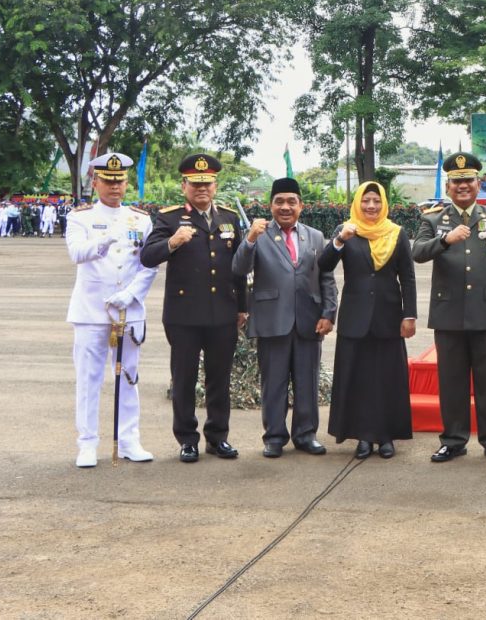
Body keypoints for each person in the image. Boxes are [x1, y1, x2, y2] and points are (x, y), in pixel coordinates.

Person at [412, 153, 486, 465]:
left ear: (478, 183)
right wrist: (445, 240)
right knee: (451, 382)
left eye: (468, 180)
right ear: (448, 186)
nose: (463, 186)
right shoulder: (433, 219)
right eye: (456, 181)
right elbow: (417, 253)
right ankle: (453, 440)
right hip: (448, 315)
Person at [140, 153, 247, 464]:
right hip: (184, 316)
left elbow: (238, 268)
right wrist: (172, 242)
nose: (202, 188)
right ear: (184, 185)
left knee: (219, 379)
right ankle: (187, 440)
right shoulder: (170, 218)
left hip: (223, 314)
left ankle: (218, 438)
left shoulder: (228, 218)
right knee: (184, 380)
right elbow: (148, 257)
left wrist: (243, 306)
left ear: (215, 185)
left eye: (207, 183)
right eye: (195, 183)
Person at [232, 177, 337, 458]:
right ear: (271, 206)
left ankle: (306, 435)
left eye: (292, 201)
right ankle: (274, 437)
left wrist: (329, 313)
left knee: (307, 381)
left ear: (301, 206)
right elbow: (239, 269)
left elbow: (326, 276)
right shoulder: (259, 234)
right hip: (271, 319)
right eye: (279, 202)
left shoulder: (314, 236)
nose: (286, 207)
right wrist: (251, 238)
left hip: (308, 320)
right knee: (274, 383)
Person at [65, 153, 158, 467]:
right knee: (89, 379)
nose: (115, 186)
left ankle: (129, 439)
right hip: (91, 310)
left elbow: (149, 265)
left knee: (129, 377)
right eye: (108, 180)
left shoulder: (141, 219)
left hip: (127, 310)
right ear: (96, 181)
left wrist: (131, 294)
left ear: (126, 182)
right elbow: (76, 253)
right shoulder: (80, 217)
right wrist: (104, 240)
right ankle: (87, 443)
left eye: (119, 180)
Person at [319, 181, 417, 459]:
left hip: (388, 317)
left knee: (387, 377)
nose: (371, 206)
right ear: (358, 203)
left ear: (383, 203)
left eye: (376, 200)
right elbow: (323, 266)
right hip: (355, 317)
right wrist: (340, 241)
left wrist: (409, 315)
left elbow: (407, 278)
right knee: (358, 377)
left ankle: (386, 436)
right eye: (366, 200)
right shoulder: (346, 230)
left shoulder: (397, 232)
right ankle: (362, 436)